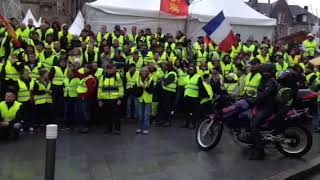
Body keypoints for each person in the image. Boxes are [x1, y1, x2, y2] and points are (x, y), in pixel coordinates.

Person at [249, 63, 278, 160]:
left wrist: (254, 100)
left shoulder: (271, 82)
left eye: (263, 70)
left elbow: (264, 94)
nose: (262, 72)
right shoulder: (264, 80)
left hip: (267, 108)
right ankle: (254, 141)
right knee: (249, 119)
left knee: (254, 125)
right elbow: (259, 93)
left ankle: (260, 151)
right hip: (261, 106)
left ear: (268, 72)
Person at [97, 64, 123, 135]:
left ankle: (117, 129)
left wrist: (120, 98)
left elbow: (121, 88)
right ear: (106, 69)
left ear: (112, 69)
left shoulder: (117, 77)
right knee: (107, 115)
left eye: (110, 69)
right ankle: (108, 128)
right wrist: (99, 100)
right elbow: (99, 89)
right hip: (105, 99)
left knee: (116, 115)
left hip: (115, 99)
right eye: (107, 69)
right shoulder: (102, 78)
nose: (109, 70)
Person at [75, 64, 97, 133]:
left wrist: (84, 96)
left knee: (85, 113)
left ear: (89, 69)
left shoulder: (90, 78)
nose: (84, 69)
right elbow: (79, 75)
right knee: (82, 112)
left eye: (86, 68)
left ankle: (86, 127)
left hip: (85, 98)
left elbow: (91, 90)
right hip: (82, 97)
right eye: (84, 68)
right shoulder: (86, 76)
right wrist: (74, 69)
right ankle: (83, 126)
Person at [136, 67, 155, 134]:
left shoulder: (151, 79)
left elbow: (151, 91)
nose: (144, 72)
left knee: (146, 115)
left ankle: (145, 128)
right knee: (140, 114)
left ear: (147, 72)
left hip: (148, 99)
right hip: (140, 98)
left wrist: (144, 87)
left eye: (145, 71)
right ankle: (139, 127)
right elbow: (137, 89)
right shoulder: (138, 79)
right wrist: (140, 88)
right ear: (140, 72)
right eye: (142, 71)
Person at [159, 62, 177, 127]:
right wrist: (163, 79)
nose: (164, 67)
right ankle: (164, 120)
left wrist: (162, 80)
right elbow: (164, 79)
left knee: (167, 107)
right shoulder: (168, 72)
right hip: (166, 91)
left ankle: (168, 121)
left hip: (169, 92)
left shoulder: (172, 73)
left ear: (169, 67)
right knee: (164, 106)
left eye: (166, 66)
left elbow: (165, 83)